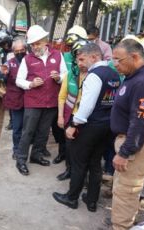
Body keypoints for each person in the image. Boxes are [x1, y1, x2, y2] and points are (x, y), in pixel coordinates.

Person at [52, 43, 120, 212]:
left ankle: (71, 198)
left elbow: (86, 105)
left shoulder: (94, 75)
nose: (79, 63)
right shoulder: (114, 74)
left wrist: (74, 124)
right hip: (106, 125)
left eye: (82, 59)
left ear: (95, 57)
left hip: (91, 125)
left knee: (78, 162)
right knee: (95, 163)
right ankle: (91, 201)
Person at [110, 39, 144, 230]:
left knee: (126, 190)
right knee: (122, 188)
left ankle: (120, 226)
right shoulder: (134, 76)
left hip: (139, 143)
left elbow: (140, 122)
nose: (115, 64)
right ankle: (121, 222)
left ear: (134, 57)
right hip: (133, 140)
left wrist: (125, 152)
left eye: (118, 60)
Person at [14, 25, 67, 176]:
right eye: (32, 44)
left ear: (45, 41)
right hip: (33, 102)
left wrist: (59, 78)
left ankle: (36, 155)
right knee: (28, 132)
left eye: (37, 43)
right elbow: (19, 80)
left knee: (43, 132)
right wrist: (30, 84)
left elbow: (65, 73)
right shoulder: (27, 59)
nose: (34, 47)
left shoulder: (57, 55)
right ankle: (21, 159)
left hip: (51, 102)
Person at [53, 25, 88, 179]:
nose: (78, 60)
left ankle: (76, 170)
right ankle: (66, 161)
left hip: (82, 111)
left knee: (79, 144)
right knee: (63, 136)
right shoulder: (64, 57)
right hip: (66, 104)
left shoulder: (92, 69)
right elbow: (63, 79)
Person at [0, 39, 27, 160]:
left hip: (30, 100)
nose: (20, 52)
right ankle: (16, 150)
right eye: (17, 51)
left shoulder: (30, 60)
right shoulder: (9, 63)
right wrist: (3, 73)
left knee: (30, 128)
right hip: (16, 100)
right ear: (13, 51)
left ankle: (30, 147)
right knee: (17, 128)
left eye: (22, 50)